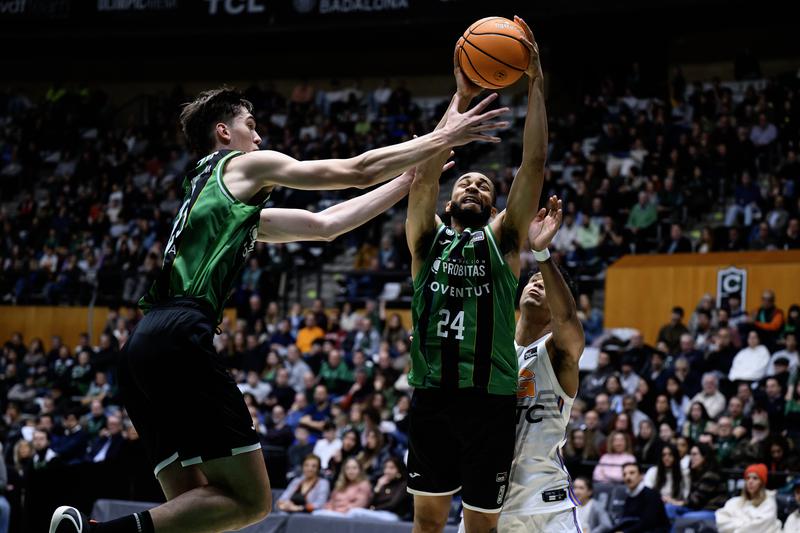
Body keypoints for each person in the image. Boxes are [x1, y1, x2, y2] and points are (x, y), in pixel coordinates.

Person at [52, 85, 507, 533]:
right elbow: (357, 169)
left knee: (197, 512)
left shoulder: (211, 196)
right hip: (180, 335)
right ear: (224, 133)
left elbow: (325, 225)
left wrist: (410, 180)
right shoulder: (244, 164)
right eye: (250, 126)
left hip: (140, 349)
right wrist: (449, 127)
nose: (260, 138)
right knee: (252, 501)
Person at [404, 18, 543, 533]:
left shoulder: (504, 242)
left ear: (493, 203)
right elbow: (421, 171)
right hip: (433, 395)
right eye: (465, 180)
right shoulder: (425, 239)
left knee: (482, 528)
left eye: (484, 185)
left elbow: (533, 162)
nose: (475, 187)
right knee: (428, 523)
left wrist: (536, 82)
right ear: (448, 193)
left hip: (489, 400)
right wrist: (460, 98)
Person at [466, 195, 584, 532]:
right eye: (532, 280)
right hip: (486, 503)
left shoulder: (558, 352)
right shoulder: (491, 348)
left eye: (544, 285)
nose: (535, 283)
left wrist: (542, 255)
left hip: (546, 507)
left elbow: (567, 316)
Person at [664, 443, 728, 522]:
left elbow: (696, 500)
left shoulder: (711, 475)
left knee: (685, 518)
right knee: (669, 508)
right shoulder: (696, 474)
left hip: (712, 510)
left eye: (695, 454)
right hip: (697, 509)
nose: (691, 458)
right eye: (690, 454)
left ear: (704, 457)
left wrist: (675, 502)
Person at [715, 463, 781, 533]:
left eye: (755, 478)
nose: (750, 481)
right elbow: (720, 521)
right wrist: (745, 523)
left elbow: (757, 528)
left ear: (761, 483)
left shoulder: (769, 503)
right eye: (748, 478)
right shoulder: (734, 502)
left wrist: (735, 524)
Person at [610, 463, 670, 533]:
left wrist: (625, 532)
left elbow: (648, 523)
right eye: (624, 474)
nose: (627, 477)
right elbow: (626, 521)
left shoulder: (652, 495)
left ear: (641, 476)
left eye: (632, 473)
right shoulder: (629, 497)